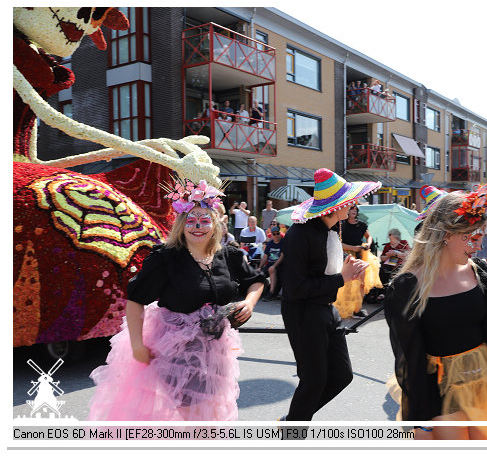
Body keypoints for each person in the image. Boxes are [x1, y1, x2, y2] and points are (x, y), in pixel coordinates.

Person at [88, 179, 266, 420]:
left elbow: (256, 281)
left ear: (215, 224)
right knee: (193, 418)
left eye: (204, 221)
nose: (197, 227)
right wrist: (137, 345)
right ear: (181, 225)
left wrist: (249, 303)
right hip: (177, 352)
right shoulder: (165, 258)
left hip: (216, 351)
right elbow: (135, 300)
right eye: (191, 221)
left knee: (212, 414)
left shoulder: (228, 255)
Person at [383, 176, 487, 440]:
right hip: (437, 392)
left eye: (479, 236)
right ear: (445, 235)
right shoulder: (407, 287)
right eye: (468, 237)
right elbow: (410, 356)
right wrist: (420, 420)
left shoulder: (480, 272)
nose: (477, 245)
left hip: (484, 385)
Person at [279, 168, 380, 422]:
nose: (353, 205)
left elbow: (324, 272)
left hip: (326, 309)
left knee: (342, 375)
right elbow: (295, 288)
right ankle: (292, 435)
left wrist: (347, 272)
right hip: (303, 313)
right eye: (349, 202)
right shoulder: (299, 234)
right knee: (313, 380)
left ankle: (293, 420)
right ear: (337, 206)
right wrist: (341, 278)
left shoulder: (331, 230)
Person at [336, 204, 382, 319]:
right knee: (346, 284)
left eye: (356, 209)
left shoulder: (361, 225)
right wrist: (352, 248)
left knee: (361, 284)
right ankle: (343, 307)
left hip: (360, 255)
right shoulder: (341, 224)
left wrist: (368, 244)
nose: (354, 211)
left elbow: (369, 237)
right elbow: (337, 243)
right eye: (352, 209)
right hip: (346, 256)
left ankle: (358, 309)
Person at [377, 228, 410, 298]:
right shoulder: (388, 245)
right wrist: (388, 256)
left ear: (397, 238)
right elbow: (382, 258)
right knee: (383, 270)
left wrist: (395, 253)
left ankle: (394, 294)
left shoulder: (403, 243)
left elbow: (407, 256)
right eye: (389, 239)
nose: (390, 241)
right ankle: (383, 292)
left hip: (400, 263)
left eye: (392, 239)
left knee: (399, 272)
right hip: (390, 262)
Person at [259, 226, 284, 299]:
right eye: (274, 234)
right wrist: (260, 267)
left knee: (271, 269)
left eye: (277, 233)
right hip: (269, 264)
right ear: (271, 235)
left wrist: (274, 266)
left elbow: (282, 256)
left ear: (280, 233)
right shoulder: (269, 244)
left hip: (279, 266)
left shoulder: (283, 242)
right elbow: (265, 257)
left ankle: (271, 292)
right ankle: (260, 291)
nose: (276, 235)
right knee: (259, 274)